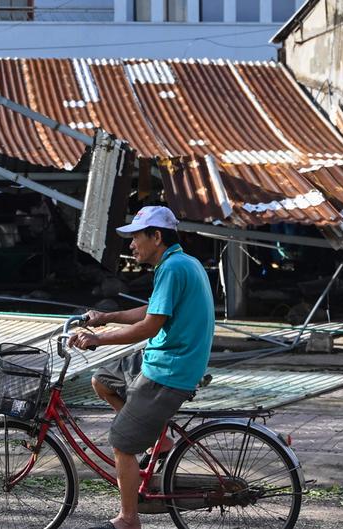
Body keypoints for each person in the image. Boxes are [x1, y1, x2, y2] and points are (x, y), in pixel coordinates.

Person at [68, 205, 215, 529]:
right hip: (164, 357)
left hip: (170, 370)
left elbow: (149, 327)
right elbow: (152, 310)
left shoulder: (174, 268)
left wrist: (97, 341)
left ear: (156, 236)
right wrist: (104, 318)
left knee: (121, 444)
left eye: (136, 238)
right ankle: (158, 442)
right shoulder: (178, 264)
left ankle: (128, 519)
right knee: (103, 380)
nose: (132, 245)